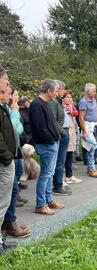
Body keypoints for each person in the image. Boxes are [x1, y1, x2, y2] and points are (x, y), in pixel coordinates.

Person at [29, 79, 64, 215]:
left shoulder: (46, 103)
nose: (56, 93)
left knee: (50, 174)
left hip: (52, 143)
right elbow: (40, 128)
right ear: (49, 90)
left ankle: (49, 200)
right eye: (55, 91)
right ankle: (40, 204)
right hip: (46, 144)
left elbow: (51, 124)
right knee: (45, 175)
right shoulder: (37, 104)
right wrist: (50, 140)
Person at [2, 86, 31, 238]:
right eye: (14, 94)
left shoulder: (8, 109)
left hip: (14, 151)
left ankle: (9, 222)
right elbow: (14, 128)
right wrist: (14, 112)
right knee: (9, 190)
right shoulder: (8, 110)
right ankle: (9, 223)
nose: (16, 98)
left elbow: (18, 129)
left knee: (13, 188)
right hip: (8, 155)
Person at [0, 65, 19, 252]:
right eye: (6, 79)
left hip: (5, 161)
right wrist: (7, 157)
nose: (8, 82)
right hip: (3, 163)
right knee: (1, 203)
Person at [49, 80, 71, 196]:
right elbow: (54, 121)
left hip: (63, 132)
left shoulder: (58, 101)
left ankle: (59, 183)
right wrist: (63, 133)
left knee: (61, 161)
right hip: (60, 133)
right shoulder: (53, 102)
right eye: (61, 89)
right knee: (59, 161)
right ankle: (57, 185)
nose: (63, 92)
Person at [78, 83, 97, 178]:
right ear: (87, 91)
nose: (95, 93)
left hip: (94, 125)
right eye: (93, 91)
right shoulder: (83, 102)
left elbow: (96, 111)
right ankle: (91, 169)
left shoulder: (94, 100)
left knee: (93, 147)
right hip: (87, 126)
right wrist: (84, 131)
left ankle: (91, 167)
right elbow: (81, 118)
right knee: (90, 148)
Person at [63, 91, 82, 184]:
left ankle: (69, 175)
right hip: (66, 132)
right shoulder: (63, 108)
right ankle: (63, 178)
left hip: (72, 131)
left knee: (69, 155)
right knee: (64, 156)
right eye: (67, 97)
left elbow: (76, 113)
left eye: (70, 97)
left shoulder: (72, 107)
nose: (69, 99)